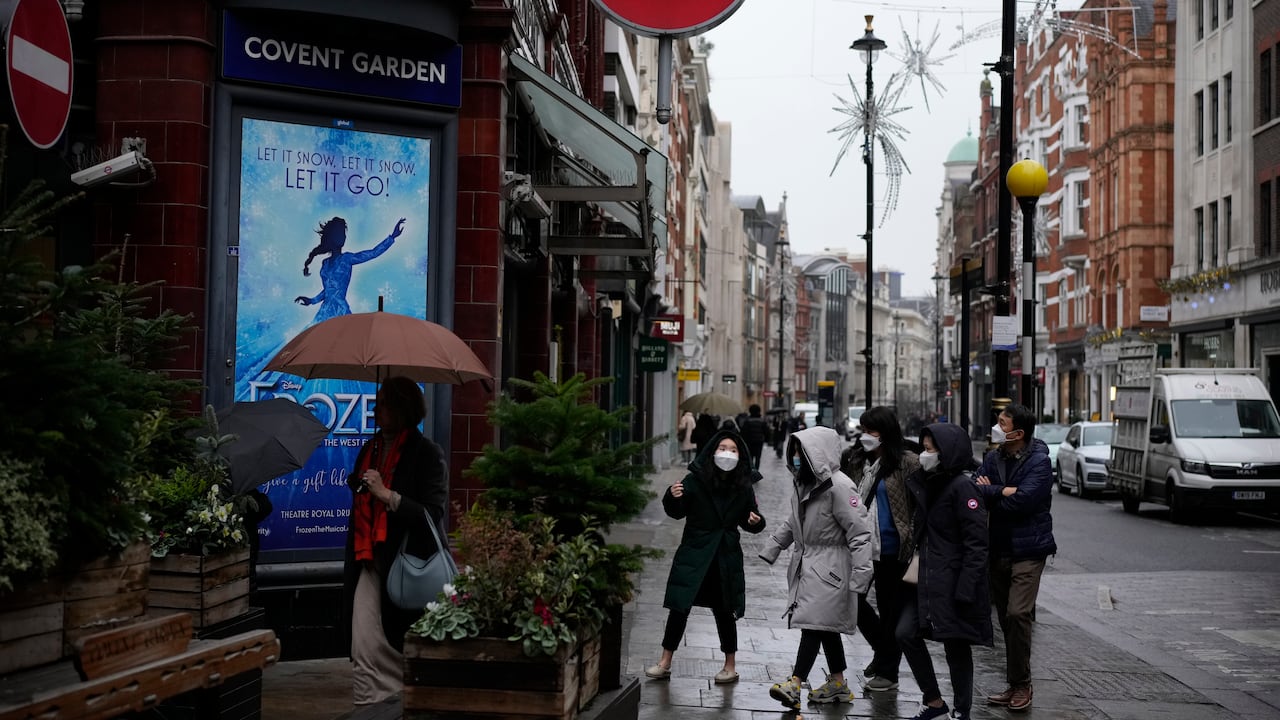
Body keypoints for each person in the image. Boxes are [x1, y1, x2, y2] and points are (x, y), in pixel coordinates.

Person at [341, 376, 448, 706]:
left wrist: (387, 495)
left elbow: (432, 513)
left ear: (403, 408)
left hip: (405, 564)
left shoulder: (427, 454)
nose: (377, 408)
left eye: (384, 402)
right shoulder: (369, 449)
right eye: (378, 400)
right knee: (363, 646)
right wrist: (359, 485)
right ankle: (369, 708)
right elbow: (364, 500)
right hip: (368, 560)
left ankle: (397, 705)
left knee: (397, 645)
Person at [759, 426, 873, 710]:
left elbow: (859, 533)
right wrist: (773, 547)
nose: (796, 457)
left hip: (831, 568)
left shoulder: (839, 486)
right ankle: (838, 684)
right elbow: (792, 521)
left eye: (801, 451)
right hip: (812, 564)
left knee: (813, 624)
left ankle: (795, 683)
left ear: (817, 453)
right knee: (825, 626)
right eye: (794, 451)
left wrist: (861, 577)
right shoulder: (806, 484)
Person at [645, 430, 766, 684]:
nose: (727, 453)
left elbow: (750, 519)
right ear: (712, 451)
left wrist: (756, 521)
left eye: (733, 450)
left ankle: (730, 665)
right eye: (723, 447)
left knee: (725, 611)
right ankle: (665, 661)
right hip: (695, 551)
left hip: (724, 554)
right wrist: (672, 496)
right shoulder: (695, 480)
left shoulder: (743, 485)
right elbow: (677, 512)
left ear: (740, 455)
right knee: (680, 607)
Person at [896, 422, 992, 720]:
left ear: (947, 452)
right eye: (923, 448)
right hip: (927, 577)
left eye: (930, 449)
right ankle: (934, 700)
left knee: (956, 643)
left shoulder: (964, 487)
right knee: (905, 633)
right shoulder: (928, 481)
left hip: (952, 578)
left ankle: (961, 709)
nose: (925, 454)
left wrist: (966, 587)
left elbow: (977, 544)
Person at [972, 403, 1056, 713]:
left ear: (1018, 432)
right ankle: (1015, 681)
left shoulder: (1039, 461)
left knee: (1019, 613)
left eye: (1002, 423)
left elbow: (1025, 501)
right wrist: (1003, 491)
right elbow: (973, 490)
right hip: (999, 547)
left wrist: (993, 493)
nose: (996, 427)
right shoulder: (993, 458)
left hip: (1030, 548)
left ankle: (1023, 685)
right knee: (1007, 618)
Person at [839, 406, 920, 693]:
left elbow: (923, 501)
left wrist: (913, 534)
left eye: (872, 431)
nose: (866, 436)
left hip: (893, 547)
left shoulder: (907, 462)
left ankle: (888, 673)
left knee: (890, 610)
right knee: (852, 600)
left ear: (886, 433)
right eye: (863, 430)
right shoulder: (855, 459)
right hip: (860, 544)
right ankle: (882, 650)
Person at [296, 216, 405, 322]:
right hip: (325, 311)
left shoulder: (347, 259)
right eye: (339, 233)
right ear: (332, 237)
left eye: (343, 234)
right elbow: (328, 291)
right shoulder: (325, 263)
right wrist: (312, 300)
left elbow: (372, 253)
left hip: (340, 310)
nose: (343, 237)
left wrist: (392, 237)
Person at [739, 404, 770, 470]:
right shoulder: (762, 421)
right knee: (758, 458)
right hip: (759, 442)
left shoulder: (747, 420)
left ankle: (750, 470)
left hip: (749, 442)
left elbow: (743, 432)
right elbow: (766, 432)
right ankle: (756, 471)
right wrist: (767, 440)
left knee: (750, 457)